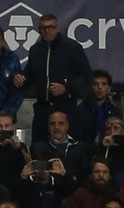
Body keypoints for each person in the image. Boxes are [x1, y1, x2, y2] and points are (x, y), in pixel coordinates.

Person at [18, 14, 91, 145]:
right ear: (39, 30)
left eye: (51, 27)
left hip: (66, 108)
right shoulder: (36, 50)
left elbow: (86, 76)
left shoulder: (72, 47)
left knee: (67, 149)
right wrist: (21, 79)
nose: (47, 31)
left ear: (57, 28)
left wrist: (66, 87)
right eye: (43, 28)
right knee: (38, 148)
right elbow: (29, 75)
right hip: (42, 109)